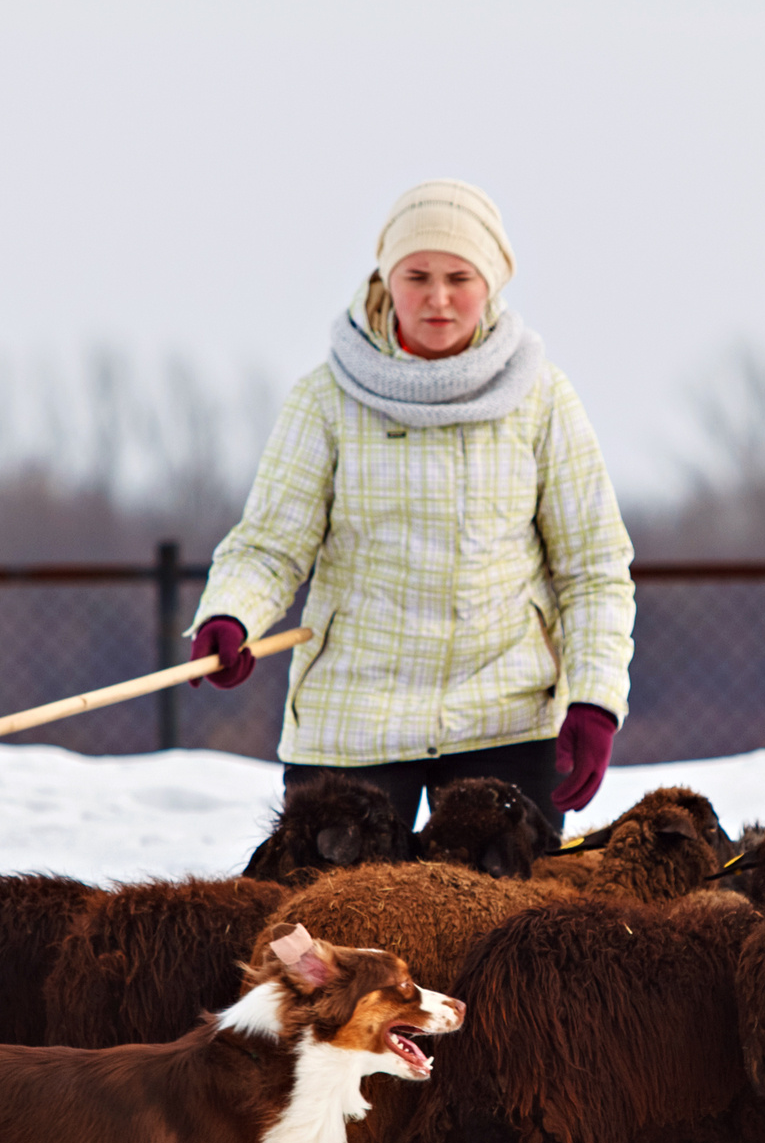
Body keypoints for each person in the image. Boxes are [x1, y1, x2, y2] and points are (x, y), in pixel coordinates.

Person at [187, 179, 634, 832]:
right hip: (353, 720)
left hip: (504, 715)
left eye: (460, 275)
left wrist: (596, 699)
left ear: (492, 282)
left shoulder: (542, 398)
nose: (438, 296)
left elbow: (593, 566)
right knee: (326, 931)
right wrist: (231, 613)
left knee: (501, 932)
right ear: (386, 278)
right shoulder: (325, 399)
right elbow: (269, 546)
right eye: (417, 274)